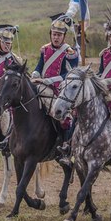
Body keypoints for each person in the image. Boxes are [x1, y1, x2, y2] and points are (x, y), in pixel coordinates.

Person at [31, 14, 79, 165]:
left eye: (59, 35)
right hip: (41, 85)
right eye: (54, 34)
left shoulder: (69, 53)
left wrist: (49, 80)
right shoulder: (44, 50)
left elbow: (68, 74)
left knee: (64, 118)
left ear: (64, 36)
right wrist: (34, 75)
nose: (56, 37)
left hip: (60, 90)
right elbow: (39, 67)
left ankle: (66, 146)